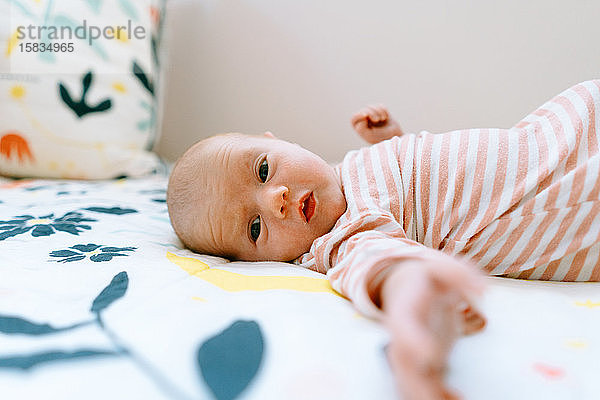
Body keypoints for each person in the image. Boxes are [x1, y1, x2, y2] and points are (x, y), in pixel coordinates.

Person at [167, 80, 600, 400]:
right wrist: (414, 314)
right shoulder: (343, 238)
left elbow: (423, 183)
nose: (274, 199)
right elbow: (387, 266)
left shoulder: (348, 169)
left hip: (573, 123)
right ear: (255, 261)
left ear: (275, 141)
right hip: (573, 197)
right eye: (255, 228)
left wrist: (394, 140)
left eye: (263, 170)